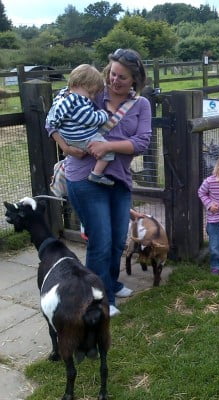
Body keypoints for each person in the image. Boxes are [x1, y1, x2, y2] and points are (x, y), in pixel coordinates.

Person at [47, 48, 152, 317]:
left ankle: (111, 283)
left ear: (135, 81)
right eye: (113, 74)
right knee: (101, 241)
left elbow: (142, 142)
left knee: (117, 240)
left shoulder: (141, 105)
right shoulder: (92, 92)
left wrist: (108, 146)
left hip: (118, 180)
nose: (115, 81)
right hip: (84, 178)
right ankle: (97, 299)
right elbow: (53, 118)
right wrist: (66, 147)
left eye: (123, 78)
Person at [46, 64, 114, 186]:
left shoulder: (62, 96)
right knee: (107, 151)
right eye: (91, 93)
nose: (92, 97)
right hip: (82, 139)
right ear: (82, 85)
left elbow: (51, 119)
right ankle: (96, 174)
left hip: (69, 137)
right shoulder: (77, 103)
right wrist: (103, 115)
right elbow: (90, 119)